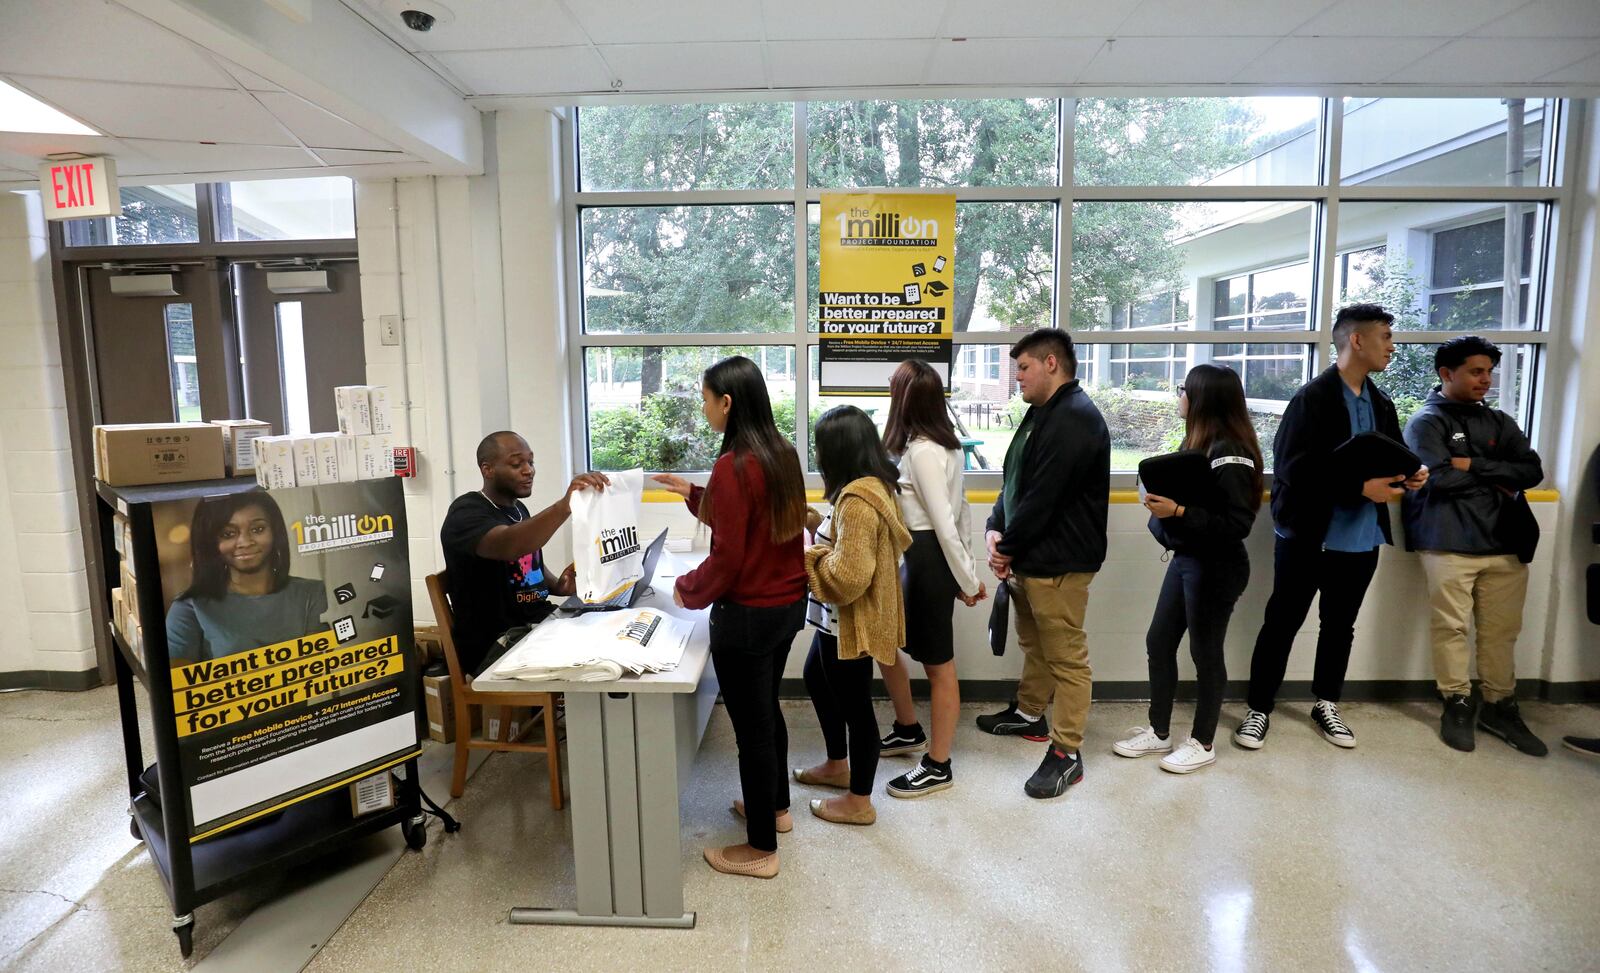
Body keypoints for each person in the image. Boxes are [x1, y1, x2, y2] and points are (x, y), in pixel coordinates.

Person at [1234, 304, 1429, 751]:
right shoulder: (1312, 398)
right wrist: (1361, 487)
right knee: (1282, 621)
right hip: (1307, 534)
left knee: (1340, 625)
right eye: (1385, 337)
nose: (1392, 347)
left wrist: (1411, 475)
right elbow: (1291, 469)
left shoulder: (1381, 402)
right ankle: (1259, 708)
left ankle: (1326, 703)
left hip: (1361, 539)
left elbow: (1392, 455)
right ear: (1356, 340)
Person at [652, 356, 807, 880]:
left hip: (749, 615)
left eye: (706, 398)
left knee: (752, 729)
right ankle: (777, 810)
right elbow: (753, 521)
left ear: (727, 402)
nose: (703, 409)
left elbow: (729, 559)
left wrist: (682, 590)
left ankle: (761, 848)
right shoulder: (780, 452)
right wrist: (692, 495)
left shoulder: (735, 463)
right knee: (767, 712)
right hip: (786, 607)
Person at [975, 328, 1110, 800]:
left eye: (1024, 368)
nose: (1017, 378)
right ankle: (1031, 714)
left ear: (1052, 363)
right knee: (1034, 643)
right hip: (1031, 558)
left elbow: (1042, 498)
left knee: (1067, 659)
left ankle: (1066, 753)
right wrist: (996, 526)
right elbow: (1014, 479)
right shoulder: (1041, 414)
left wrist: (1005, 547)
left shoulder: (1074, 417)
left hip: (1059, 563)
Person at [1402, 335, 1546, 756]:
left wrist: (1472, 465)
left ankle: (1500, 705)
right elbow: (1440, 478)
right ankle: (1457, 702)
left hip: (1504, 545)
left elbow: (1531, 470)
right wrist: (1498, 475)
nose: (1487, 380)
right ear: (1447, 374)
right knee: (1452, 627)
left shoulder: (1500, 421)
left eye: (1489, 371)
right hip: (1447, 543)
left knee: (1502, 632)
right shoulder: (1425, 423)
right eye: (1476, 371)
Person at [1115, 365, 1262, 775]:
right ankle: (1159, 730)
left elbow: (1237, 524)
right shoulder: (1201, 443)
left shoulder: (1231, 451)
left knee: (1205, 652)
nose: (1179, 395)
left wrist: (1179, 510)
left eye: (1184, 389)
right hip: (1188, 561)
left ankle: (1203, 741)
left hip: (1217, 566)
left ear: (1203, 399)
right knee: (1159, 641)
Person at [795, 405, 911, 825]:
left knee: (857, 707)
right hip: (836, 620)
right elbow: (845, 543)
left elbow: (848, 577)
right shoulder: (866, 488)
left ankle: (859, 800)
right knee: (815, 677)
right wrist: (813, 521)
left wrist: (809, 557)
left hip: (848, 620)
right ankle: (836, 764)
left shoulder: (858, 502)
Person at [875, 358, 986, 798]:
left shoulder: (922, 450)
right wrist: (967, 572)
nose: (888, 390)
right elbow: (963, 515)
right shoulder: (945, 445)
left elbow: (945, 522)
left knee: (939, 667)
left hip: (926, 560)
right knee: (884, 643)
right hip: (920, 559)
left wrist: (968, 579)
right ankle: (907, 727)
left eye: (893, 386)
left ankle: (938, 764)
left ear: (906, 398)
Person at [439, 432, 609, 675]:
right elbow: (509, 545)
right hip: (497, 644)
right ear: (487, 470)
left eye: (531, 462)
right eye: (517, 464)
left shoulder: (518, 509)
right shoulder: (466, 512)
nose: (529, 470)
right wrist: (564, 506)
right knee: (598, 657)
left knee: (609, 626)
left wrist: (559, 586)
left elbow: (527, 565)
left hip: (537, 626)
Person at [167, 490, 327, 664]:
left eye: (258, 529)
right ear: (210, 542)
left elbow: (319, 670)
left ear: (275, 532)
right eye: (228, 534)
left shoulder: (312, 593)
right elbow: (181, 685)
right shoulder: (188, 608)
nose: (245, 542)